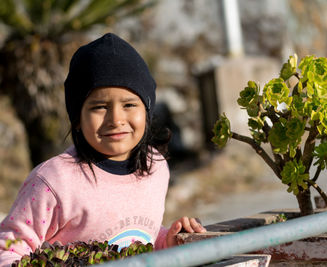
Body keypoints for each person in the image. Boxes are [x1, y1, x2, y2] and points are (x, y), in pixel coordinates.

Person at [0, 33, 206, 266]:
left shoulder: (155, 167)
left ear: (147, 112)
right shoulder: (54, 182)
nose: (115, 119)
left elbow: (140, 239)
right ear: (77, 118)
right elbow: (8, 248)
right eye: (99, 107)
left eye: (129, 104)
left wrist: (167, 242)